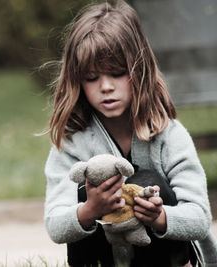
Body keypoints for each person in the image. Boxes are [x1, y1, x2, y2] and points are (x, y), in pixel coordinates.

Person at [43, 1, 217, 266]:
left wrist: (159, 218)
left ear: (140, 70)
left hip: (162, 253)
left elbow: (200, 217)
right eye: (91, 77)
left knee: (147, 180)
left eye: (117, 73)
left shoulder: (168, 134)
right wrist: (91, 210)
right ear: (77, 80)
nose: (105, 87)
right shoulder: (72, 140)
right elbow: (55, 225)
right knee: (83, 193)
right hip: (102, 256)